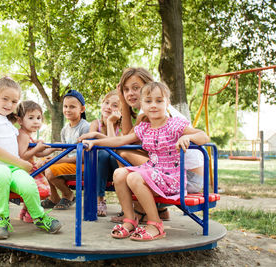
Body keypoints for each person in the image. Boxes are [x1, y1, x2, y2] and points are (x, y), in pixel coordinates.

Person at [82, 82, 210, 241]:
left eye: (159, 101)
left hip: (172, 178)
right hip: (153, 171)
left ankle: (155, 224)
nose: (154, 105)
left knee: (133, 177)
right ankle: (130, 220)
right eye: (148, 101)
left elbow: (203, 136)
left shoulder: (175, 125)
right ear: (142, 104)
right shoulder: (144, 128)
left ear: (167, 103)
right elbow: (120, 140)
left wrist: (188, 137)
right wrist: (95, 142)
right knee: (119, 173)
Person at [112, 67, 204, 223]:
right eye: (125, 90)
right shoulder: (151, 108)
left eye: (136, 88)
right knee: (127, 156)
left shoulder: (150, 111)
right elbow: (129, 137)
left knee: (123, 153)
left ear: (149, 86)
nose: (130, 93)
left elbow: (126, 139)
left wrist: (122, 102)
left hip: (186, 177)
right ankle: (160, 210)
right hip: (186, 174)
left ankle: (141, 210)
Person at [0, 77, 61, 240]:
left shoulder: (8, 122)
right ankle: (2, 221)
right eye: (4, 99)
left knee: (28, 184)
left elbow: (24, 138)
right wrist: (21, 162)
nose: (9, 104)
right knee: (1, 174)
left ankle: (39, 218)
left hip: (13, 169)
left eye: (14, 101)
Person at [41, 90, 90, 210]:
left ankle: (68, 195)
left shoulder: (85, 126)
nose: (67, 109)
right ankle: (54, 197)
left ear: (82, 109)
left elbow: (84, 156)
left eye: (72, 107)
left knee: (51, 171)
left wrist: (58, 161)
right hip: (70, 163)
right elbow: (65, 151)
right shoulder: (65, 129)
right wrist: (54, 157)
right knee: (41, 164)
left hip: (83, 165)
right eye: (65, 106)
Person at [78, 90, 121, 217]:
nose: (109, 107)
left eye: (114, 105)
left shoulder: (122, 126)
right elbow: (90, 143)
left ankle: (125, 204)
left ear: (120, 111)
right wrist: (96, 134)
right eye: (106, 103)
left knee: (112, 155)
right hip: (98, 169)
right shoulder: (95, 123)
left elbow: (114, 147)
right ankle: (99, 199)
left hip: (115, 169)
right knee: (102, 154)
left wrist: (108, 125)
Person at [16, 100, 60, 223]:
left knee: (37, 191)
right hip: (24, 170)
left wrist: (54, 147)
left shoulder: (28, 135)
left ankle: (24, 212)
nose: (36, 121)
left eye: (39, 118)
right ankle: (32, 214)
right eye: (31, 118)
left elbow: (39, 153)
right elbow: (22, 156)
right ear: (20, 120)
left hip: (29, 169)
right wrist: (37, 148)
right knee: (40, 191)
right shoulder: (23, 135)